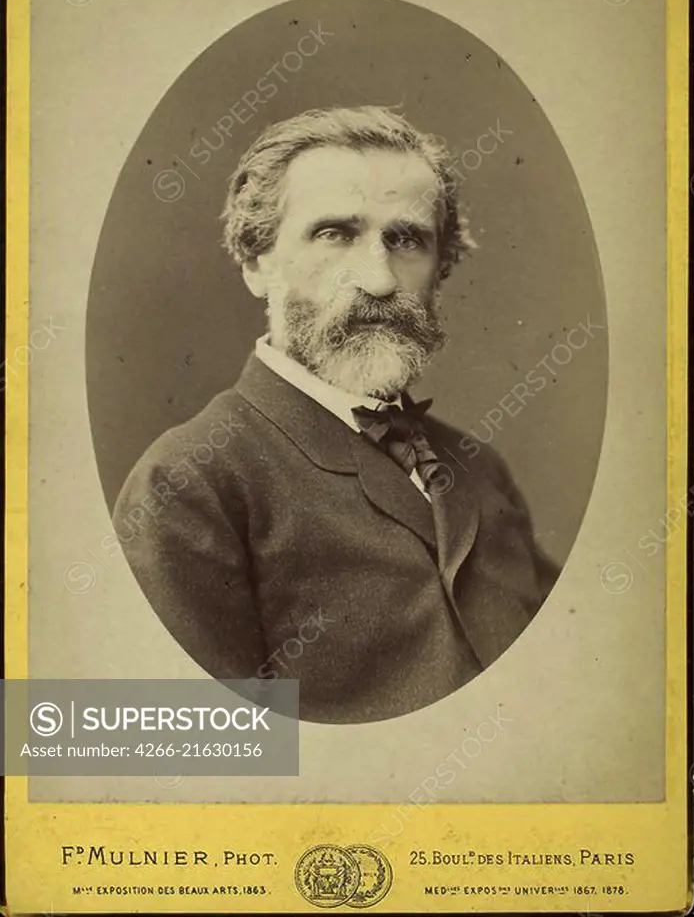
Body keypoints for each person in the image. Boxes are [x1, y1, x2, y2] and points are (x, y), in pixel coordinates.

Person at [113, 105, 558, 723]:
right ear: (256, 263)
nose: (378, 280)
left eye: (405, 240)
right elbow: (209, 763)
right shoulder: (190, 482)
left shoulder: (482, 472)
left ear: (441, 268)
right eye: (335, 234)